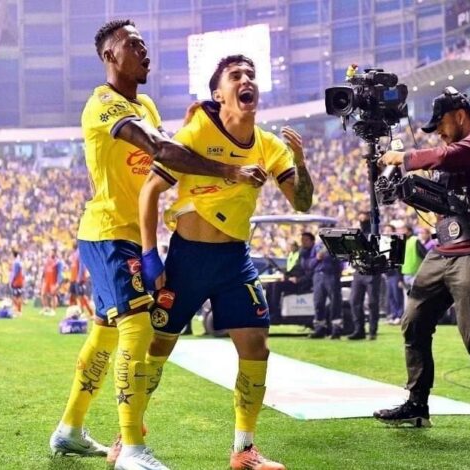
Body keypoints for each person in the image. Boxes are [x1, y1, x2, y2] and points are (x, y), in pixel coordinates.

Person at [48, 20, 267, 470]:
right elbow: (160, 149)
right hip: (109, 232)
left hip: (129, 233)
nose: (144, 51)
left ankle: (69, 429)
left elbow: (169, 151)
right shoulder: (103, 104)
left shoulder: (144, 104)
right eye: (133, 44)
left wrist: (193, 129)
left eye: (145, 43)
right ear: (110, 55)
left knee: (105, 333)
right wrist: (228, 170)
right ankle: (131, 449)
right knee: (137, 329)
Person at [139, 54, 313, 470]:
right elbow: (150, 191)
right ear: (219, 94)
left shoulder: (269, 146)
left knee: (256, 347)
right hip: (187, 259)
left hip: (235, 260)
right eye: (236, 75)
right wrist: (149, 254)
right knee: (157, 347)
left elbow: (303, 203)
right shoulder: (198, 130)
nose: (246, 79)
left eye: (251, 74)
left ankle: (244, 449)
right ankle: (126, 434)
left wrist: (301, 164)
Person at [374, 87, 470, 437]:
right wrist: (405, 189)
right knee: (414, 322)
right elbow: (443, 199)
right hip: (445, 249)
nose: (438, 132)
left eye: (441, 124)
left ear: (460, 115)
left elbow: (447, 156)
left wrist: (404, 158)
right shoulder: (453, 154)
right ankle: (417, 404)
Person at [347, 212, 381, 340]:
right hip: (359, 271)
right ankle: (359, 330)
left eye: (364, 219)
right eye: (360, 219)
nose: (361, 222)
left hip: (372, 272)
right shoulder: (358, 234)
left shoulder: (374, 234)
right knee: (354, 301)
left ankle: (372, 331)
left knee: (372, 303)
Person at [308, 235, 343, 339]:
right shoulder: (317, 246)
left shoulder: (336, 245)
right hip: (318, 276)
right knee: (318, 302)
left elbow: (341, 262)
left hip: (331, 275)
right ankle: (319, 329)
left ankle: (336, 329)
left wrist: (331, 258)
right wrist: (317, 259)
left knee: (335, 303)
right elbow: (310, 264)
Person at [68, 242, 94, 319]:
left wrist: (79, 278)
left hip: (78, 278)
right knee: (73, 295)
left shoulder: (80, 253)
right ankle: (74, 313)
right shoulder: (73, 254)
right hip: (73, 278)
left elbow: (82, 266)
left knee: (81, 296)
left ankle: (90, 313)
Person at [40, 248, 62, 316]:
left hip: (53, 281)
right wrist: (42, 278)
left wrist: (58, 282)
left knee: (53, 295)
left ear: (55, 253)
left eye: (52, 252)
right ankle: (45, 308)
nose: (51, 253)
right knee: (43, 294)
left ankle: (53, 310)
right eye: (50, 252)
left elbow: (59, 273)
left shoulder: (58, 262)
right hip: (46, 280)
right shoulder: (47, 260)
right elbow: (44, 270)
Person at [9, 249, 25, 316]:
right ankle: (19, 310)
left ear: (13, 255)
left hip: (16, 281)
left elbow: (14, 273)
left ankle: (17, 310)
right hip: (20, 281)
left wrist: (11, 281)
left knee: (16, 296)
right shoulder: (19, 262)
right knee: (19, 295)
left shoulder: (15, 263)